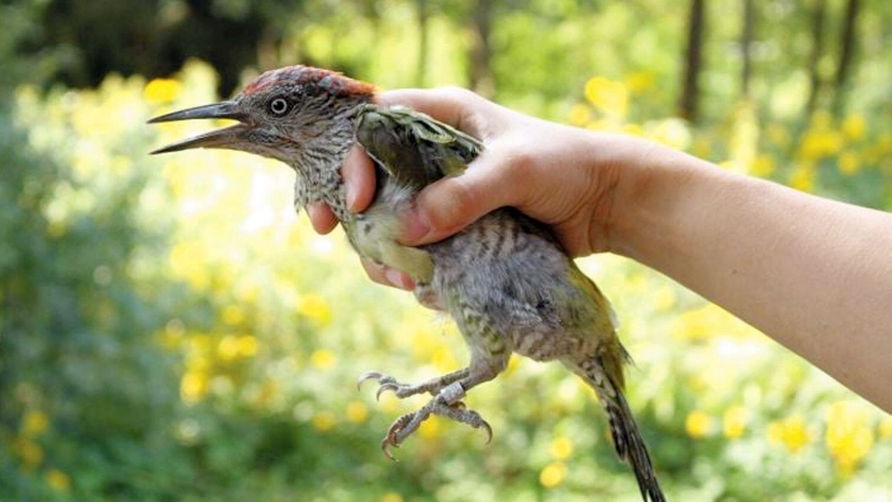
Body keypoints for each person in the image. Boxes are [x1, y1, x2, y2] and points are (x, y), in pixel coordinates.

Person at [306, 88, 892, 412]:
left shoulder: (382, 139)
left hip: (543, 299)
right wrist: (608, 195)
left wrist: (611, 193)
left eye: (282, 110)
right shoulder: (352, 170)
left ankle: (457, 385)